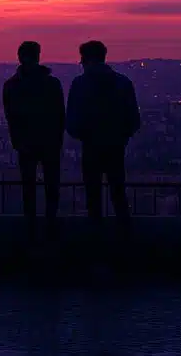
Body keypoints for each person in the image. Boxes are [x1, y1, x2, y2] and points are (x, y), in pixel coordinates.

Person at [66, 40, 141, 239]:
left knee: (93, 195)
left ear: (86, 59)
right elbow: (134, 119)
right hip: (116, 146)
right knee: (118, 193)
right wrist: (121, 137)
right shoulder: (123, 83)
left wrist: (84, 135)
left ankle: (95, 239)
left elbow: (72, 120)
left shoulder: (79, 84)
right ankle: (126, 239)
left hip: (91, 147)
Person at [2, 41, 65, 239]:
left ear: (19, 57)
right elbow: (60, 115)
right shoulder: (52, 84)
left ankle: (31, 228)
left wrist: (18, 141)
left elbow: (11, 116)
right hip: (49, 143)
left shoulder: (12, 86)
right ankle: (50, 227)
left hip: (26, 144)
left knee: (28, 187)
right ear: (38, 56)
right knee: (51, 187)